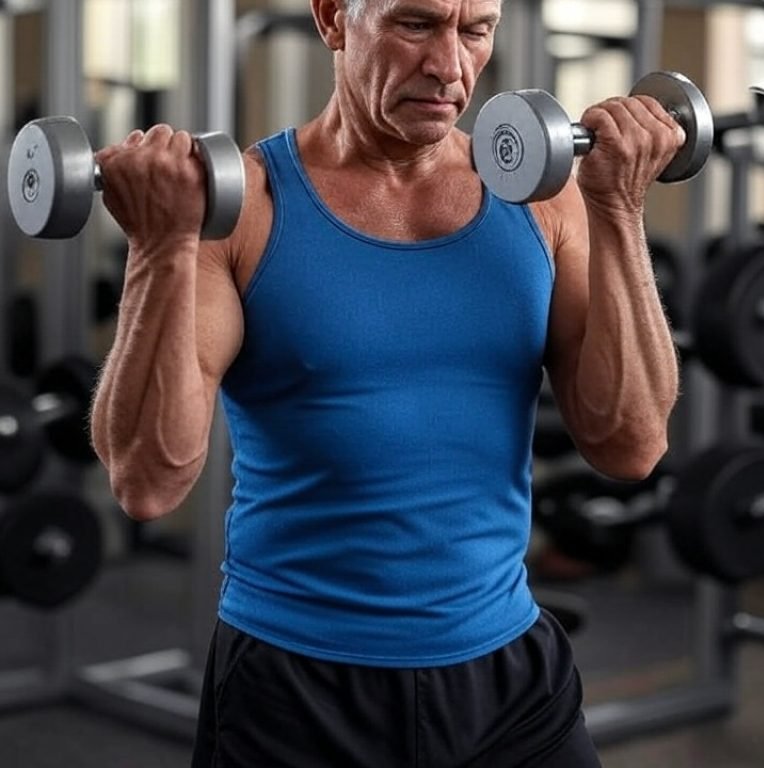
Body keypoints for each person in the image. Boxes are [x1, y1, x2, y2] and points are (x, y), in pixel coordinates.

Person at [90, 0, 682, 765]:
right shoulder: (247, 209)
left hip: (510, 682)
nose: (450, 67)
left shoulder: (547, 202)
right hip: (297, 687)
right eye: (415, 24)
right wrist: (161, 242)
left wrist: (619, 207)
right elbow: (148, 481)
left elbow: (631, 446)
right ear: (334, 16)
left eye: (475, 30)